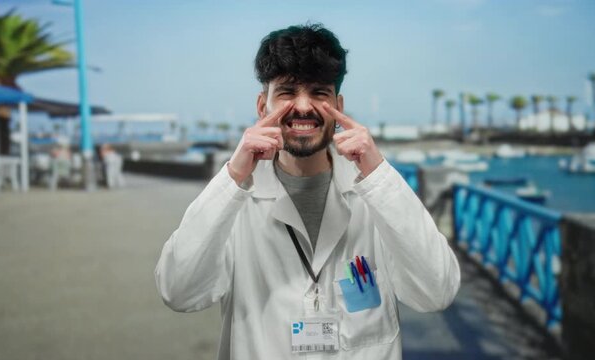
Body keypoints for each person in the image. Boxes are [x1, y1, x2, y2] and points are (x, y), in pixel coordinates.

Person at [155, 23, 460, 359]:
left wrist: (378, 174)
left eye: (318, 92)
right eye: (286, 92)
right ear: (262, 107)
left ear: (338, 105)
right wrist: (234, 175)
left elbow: (437, 291)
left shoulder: (375, 195)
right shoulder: (236, 200)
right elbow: (178, 291)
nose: (303, 106)